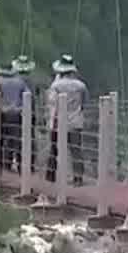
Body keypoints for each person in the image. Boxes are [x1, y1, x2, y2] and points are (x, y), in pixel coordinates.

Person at [45, 55, 89, 186]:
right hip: (75, 121)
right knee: (76, 150)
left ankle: (51, 175)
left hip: (59, 122)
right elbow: (85, 102)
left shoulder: (56, 85)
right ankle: (78, 177)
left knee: (55, 149)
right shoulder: (81, 85)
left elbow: (52, 102)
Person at [0, 57, 30, 174]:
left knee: (3, 140)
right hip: (17, 113)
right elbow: (28, 94)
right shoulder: (20, 81)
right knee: (18, 140)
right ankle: (21, 166)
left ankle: (5, 165)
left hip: (3, 113)